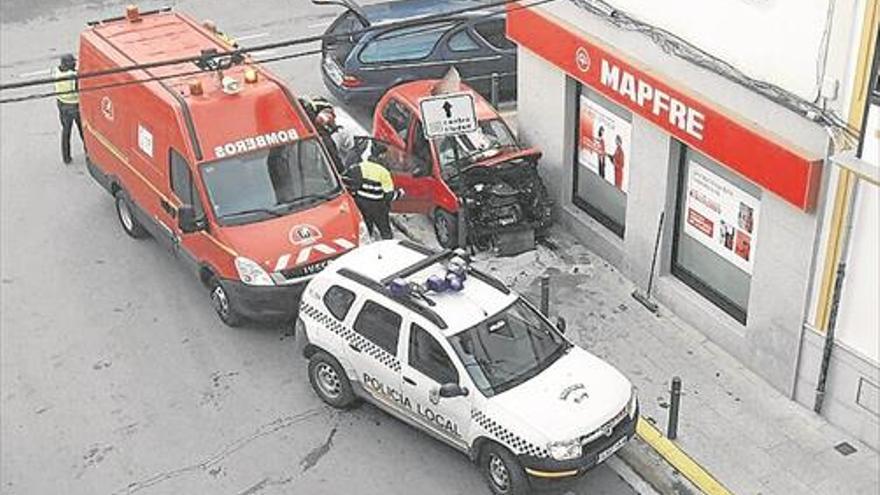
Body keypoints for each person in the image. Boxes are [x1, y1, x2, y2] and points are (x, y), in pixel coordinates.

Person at [348, 142, 403, 240]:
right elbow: (388, 196)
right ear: (381, 155)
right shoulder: (384, 172)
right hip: (378, 206)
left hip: (361, 204)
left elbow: (350, 184)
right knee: (385, 231)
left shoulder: (360, 166)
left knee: (366, 230)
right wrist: (399, 194)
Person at [53, 53, 84, 165]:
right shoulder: (73, 76)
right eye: (73, 62)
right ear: (68, 64)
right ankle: (89, 152)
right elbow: (79, 89)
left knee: (66, 131)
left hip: (61, 104)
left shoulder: (56, 71)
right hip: (74, 106)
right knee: (83, 130)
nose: (75, 63)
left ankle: (66, 157)